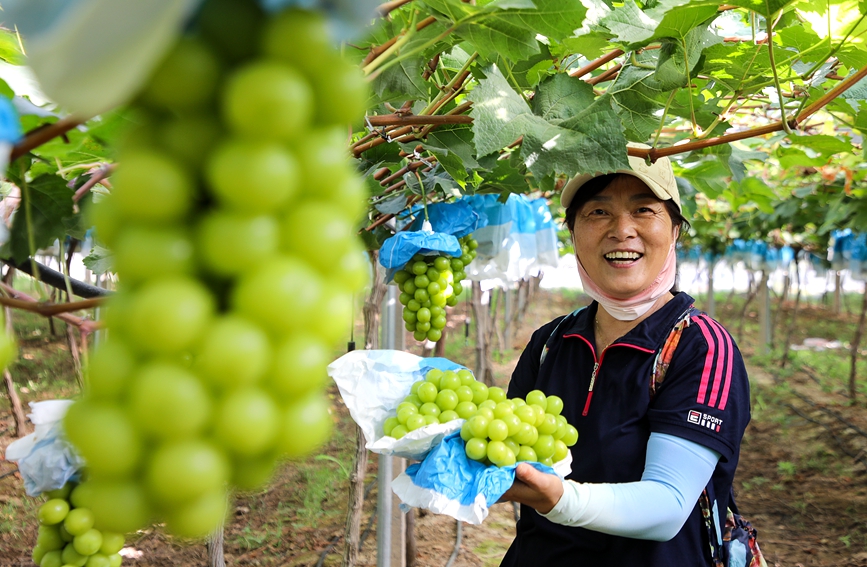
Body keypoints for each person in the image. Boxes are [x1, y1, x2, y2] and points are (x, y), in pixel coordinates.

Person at [499, 144, 752, 565]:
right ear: (573, 234)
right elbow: (510, 455)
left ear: (674, 231)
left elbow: (667, 506)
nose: (622, 229)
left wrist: (559, 498)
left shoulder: (701, 347)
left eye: (644, 210)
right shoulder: (550, 343)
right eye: (597, 213)